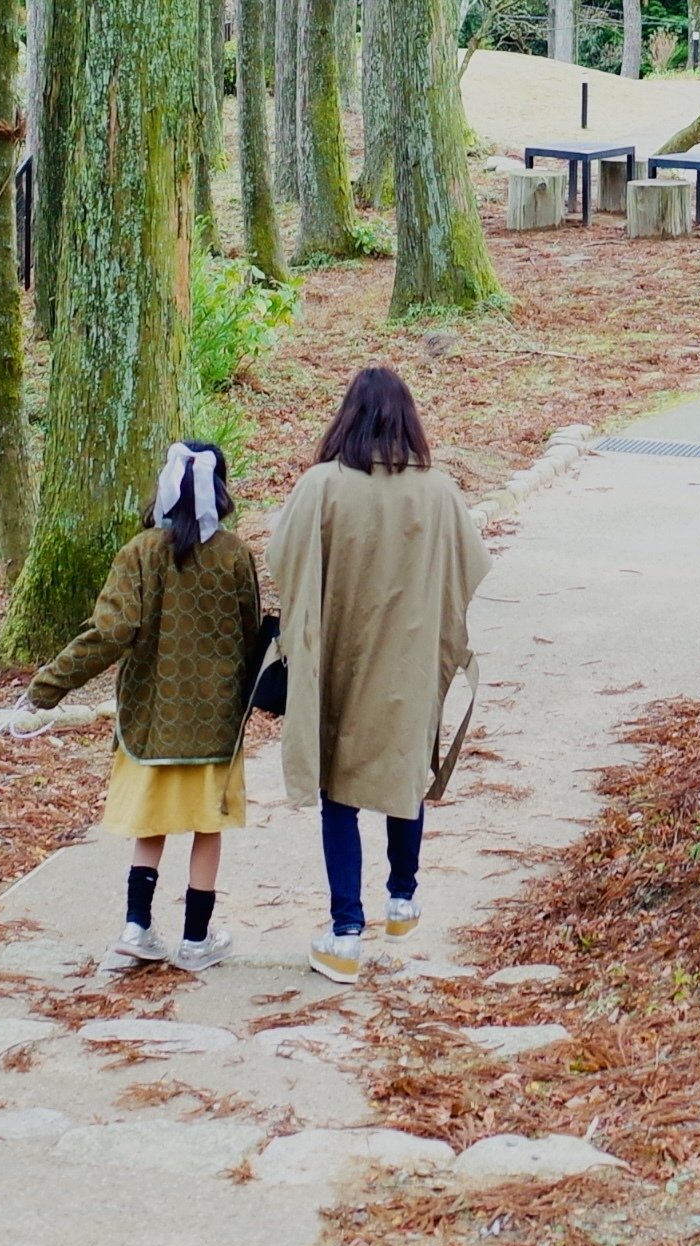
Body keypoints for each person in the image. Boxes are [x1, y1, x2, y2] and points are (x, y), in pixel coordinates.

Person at [271, 367, 489, 983]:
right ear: (408, 420)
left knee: (338, 792)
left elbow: (282, 557)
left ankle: (345, 932)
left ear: (347, 418)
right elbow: (471, 565)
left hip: (338, 658)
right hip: (409, 662)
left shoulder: (321, 487)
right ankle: (402, 896)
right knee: (404, 767)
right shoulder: (439, 491)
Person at [25, 440, 272, 974]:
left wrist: (47, 686)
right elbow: (253, 635)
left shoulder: (138, 553)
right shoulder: (235, 555)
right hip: (215, 722)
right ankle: (196, 940)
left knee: (151, 825)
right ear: (220, 489)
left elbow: (112, 631)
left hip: (150, 718)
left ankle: (136, 927)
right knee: (209, 826)